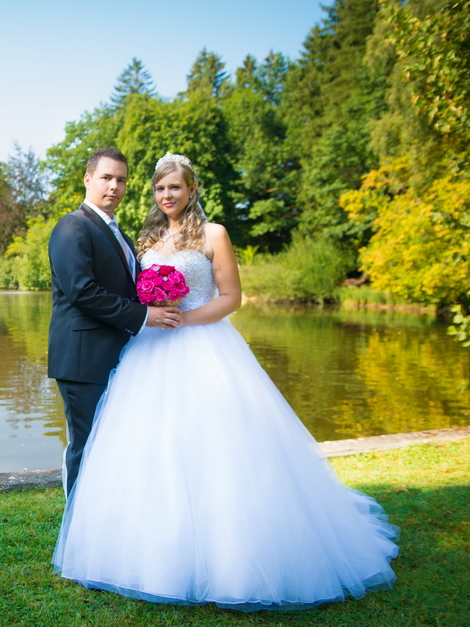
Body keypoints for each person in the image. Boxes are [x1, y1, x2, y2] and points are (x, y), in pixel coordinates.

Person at [52, 153, 399, 611]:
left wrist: (184, 318)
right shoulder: (144, 235)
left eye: (174, 187)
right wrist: (150, 315)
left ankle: (227, 549)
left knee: (219, 443)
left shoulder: (214, 234)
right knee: (145, 446)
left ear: (191, 190)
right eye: (159, 188)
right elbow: (95, 290)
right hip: (148, 350)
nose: (166, 195)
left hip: (202, 346)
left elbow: (232, 297)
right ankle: (131, 540)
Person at [48, 147, 182, 496]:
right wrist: (145, 315)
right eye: (106, 178)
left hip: (120, 355)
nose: (114, 186)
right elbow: (82, 291)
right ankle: (75, 525)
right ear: (88, 179)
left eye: (121, 180)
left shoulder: (120, 235)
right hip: (82, 359)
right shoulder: (71, 226)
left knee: (111, 446)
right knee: (87, 444)